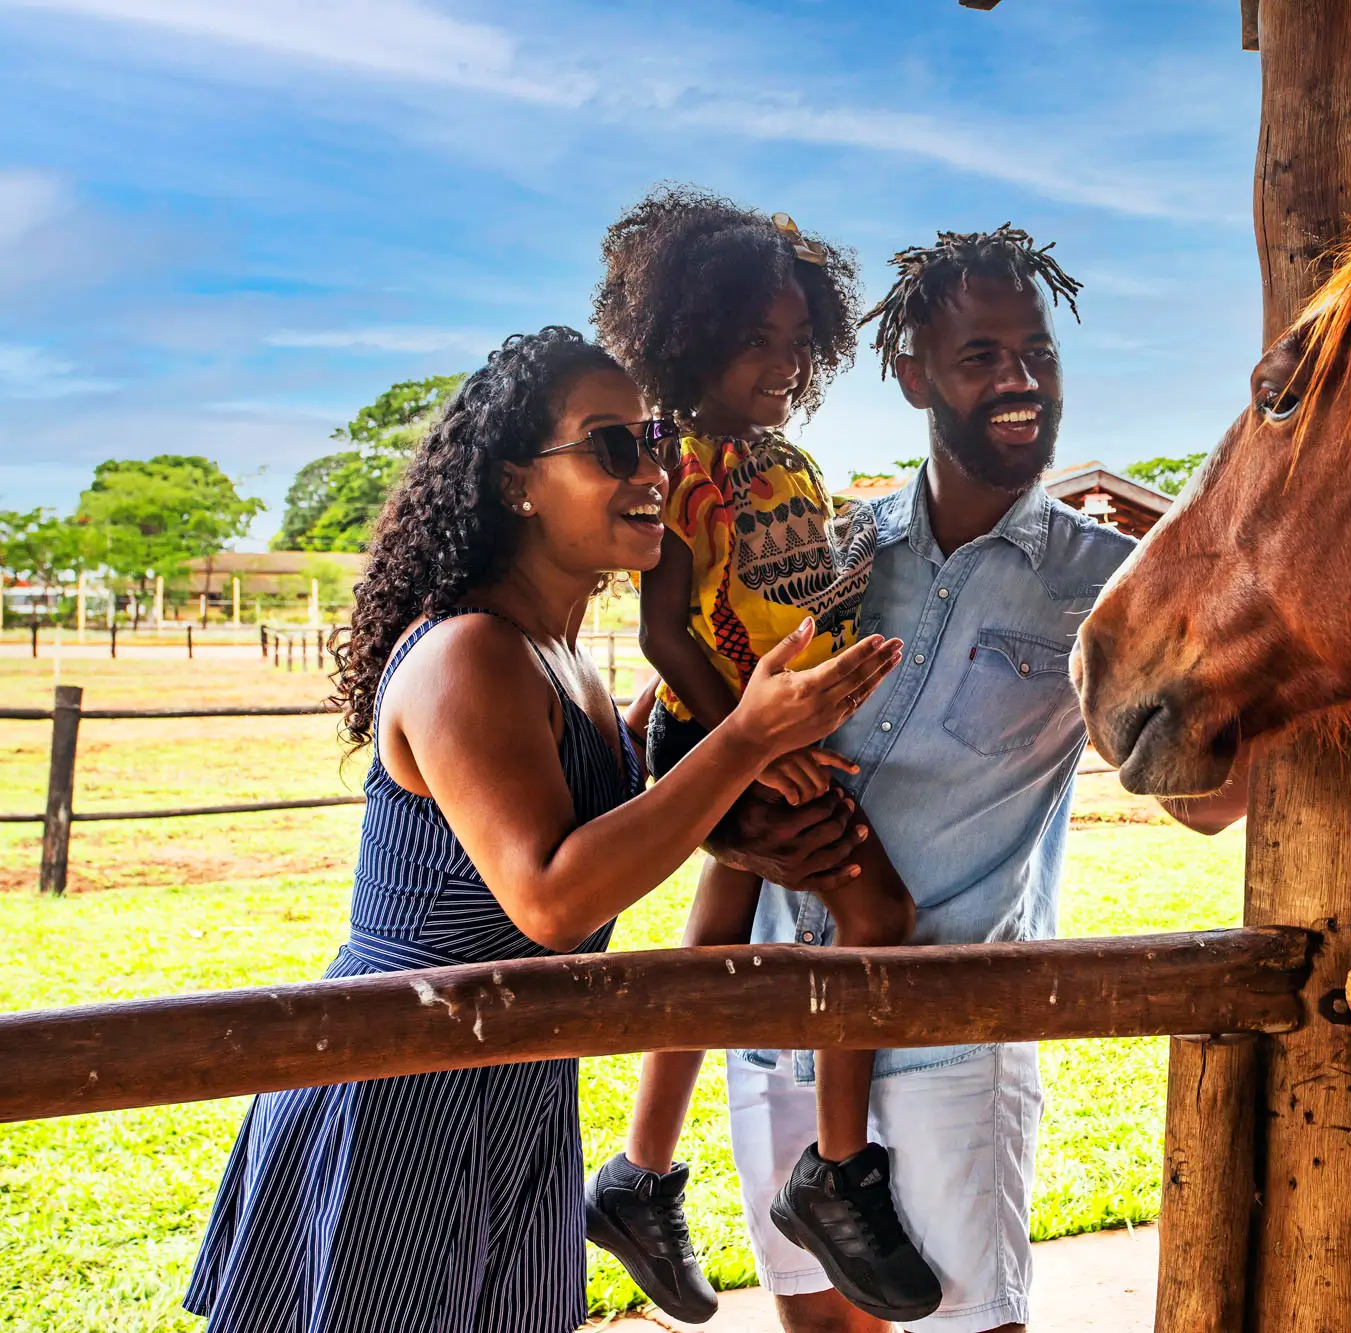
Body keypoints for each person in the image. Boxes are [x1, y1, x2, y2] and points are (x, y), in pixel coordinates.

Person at [183, 327, 900, 1333]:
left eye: (650, 439)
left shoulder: (570, 663)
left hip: (516, 1081)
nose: (651, 468)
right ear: (518, 484)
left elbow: (628, 837)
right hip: (402, 1090)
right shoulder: (469, 653)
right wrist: (741, 742)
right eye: (610, 446)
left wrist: (731, 753)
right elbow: (552, 897)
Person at [602, 226, 1248, 1333]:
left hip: (952, 1043)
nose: (1019, 380)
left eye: (1036, 353)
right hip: (771, 1030)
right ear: (911, 376)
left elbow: (1201, 806)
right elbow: (677, 718)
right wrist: (729, 826)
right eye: (981, 355)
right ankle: (642, 1172)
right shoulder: (833, 552)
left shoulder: (1105, 590)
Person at [584, 187, 938, 1325]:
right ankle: (836, 1173)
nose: (780, 363)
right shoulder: (670, 463)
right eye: (755, 341)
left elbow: (786, 588)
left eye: (795, 343)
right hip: (730, 733)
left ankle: (640, 1172)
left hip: (776, 725)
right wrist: (745, 747)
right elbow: (660, 628)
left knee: (713, 932)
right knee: (876, 918)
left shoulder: (786, 460)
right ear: (690, 335)